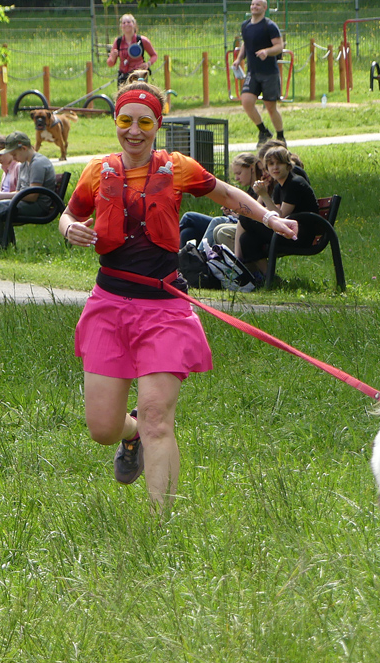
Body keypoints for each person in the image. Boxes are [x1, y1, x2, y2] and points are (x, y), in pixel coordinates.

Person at [57, 81, 298, 514]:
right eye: (125, 120)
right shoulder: (97, 171)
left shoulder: (177, 167)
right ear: (116, 121)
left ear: (158, 125)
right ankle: (129, 435)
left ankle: (159, 525)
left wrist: (268, 217)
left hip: (164, 308)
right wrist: (68, 228)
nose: (134, 131)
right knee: (102, 428)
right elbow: (70, 213)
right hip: (109, 306)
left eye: (144, 122)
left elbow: (225, 193)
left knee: (156, 417)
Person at [236, 145, 318, 279]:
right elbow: (275, 213)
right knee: (247, 239)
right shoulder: (280, 187)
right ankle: (270, 277)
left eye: (279, 163)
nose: (275, 167)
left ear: (288, 165)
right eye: (271, 164)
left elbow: (281, 216)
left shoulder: (295, 183)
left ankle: (236, 264)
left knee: (245, 219)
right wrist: (262, 196)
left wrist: (264, 195)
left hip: (300, 234)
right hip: (287, 230)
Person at [0, 130, 56, 255]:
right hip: (23, 202)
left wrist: (2, 196)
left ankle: (1, 247)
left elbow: (32, 196)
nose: (13, 158)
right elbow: (19, 191)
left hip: (37, 206)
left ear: (24, 148)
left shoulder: (38, 163)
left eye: (14, 154)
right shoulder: (23, 164)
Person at [177, 151, 263, 248]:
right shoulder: (249, 191)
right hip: (235, 222)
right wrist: (230, 212)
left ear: (252, 168)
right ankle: (180, 255)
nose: (236, 178)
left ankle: (192, 253)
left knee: (189, 217)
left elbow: (251, 217)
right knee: (187, 232)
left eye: (239, 173)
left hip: (238, 225)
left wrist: (234, 215)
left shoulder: (260, 190)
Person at [232, 0, 285, 145]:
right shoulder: (246, 25)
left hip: (269, 73)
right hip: (253, 72)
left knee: (270, 107)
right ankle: (263, 131)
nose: (254, 7)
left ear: (264, 8)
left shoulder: (270, 26)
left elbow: (279, 46)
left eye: (258, 5)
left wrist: (267, 52)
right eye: (253, 4)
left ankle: (281, 137)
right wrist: (239, 59)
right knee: (246, 102)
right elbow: (245, 43)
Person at [106, 14, 159, 87]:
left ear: (134, 24)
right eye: (124, 23)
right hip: (123, 76)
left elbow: (154, 55)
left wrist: (148, 64)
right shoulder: (118, 42)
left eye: (128, 22)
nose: (126, 24)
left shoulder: (142, 40)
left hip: (139, 76)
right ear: (121, 26)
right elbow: (110, 64)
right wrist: (113, 57)